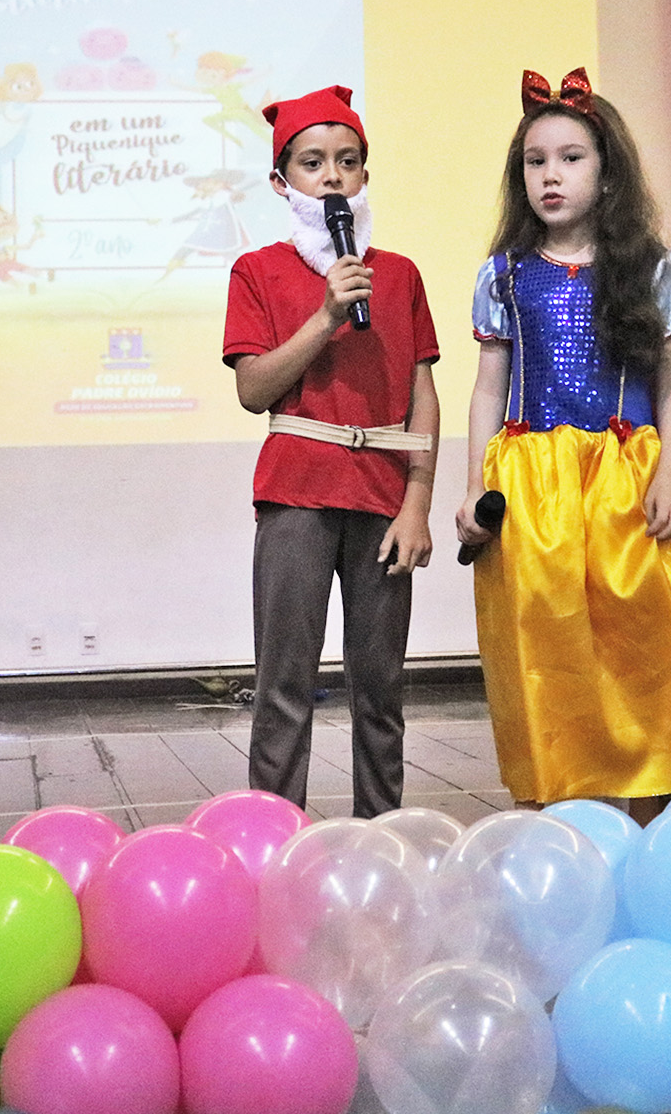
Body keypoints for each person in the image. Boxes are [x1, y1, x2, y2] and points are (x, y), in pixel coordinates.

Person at [455, 67, 671, 822]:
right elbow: (489, 386)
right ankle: (562, 806)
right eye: (535, 161)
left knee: (647, 640)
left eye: (570, 158)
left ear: (608, 170)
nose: (550, 176)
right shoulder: (505, 274)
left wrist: (668, 476)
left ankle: (660, 802)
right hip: (535, 486)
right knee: (548, 644)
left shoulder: (653, 270)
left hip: (626, 474)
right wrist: (474, 488)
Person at [222, 85, 440, 818]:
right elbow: (254, 388)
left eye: (348, 161)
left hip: (383, 497)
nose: (333, 177)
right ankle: (274, 835)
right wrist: (325, 316)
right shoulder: (257, 271)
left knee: (381, 687)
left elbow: (423, 394)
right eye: (312, 163)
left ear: (365, 175)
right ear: (281, 182)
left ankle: (384, 838)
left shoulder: (399, 274)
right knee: (284, 684)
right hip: (297, 492)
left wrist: (417, 504)